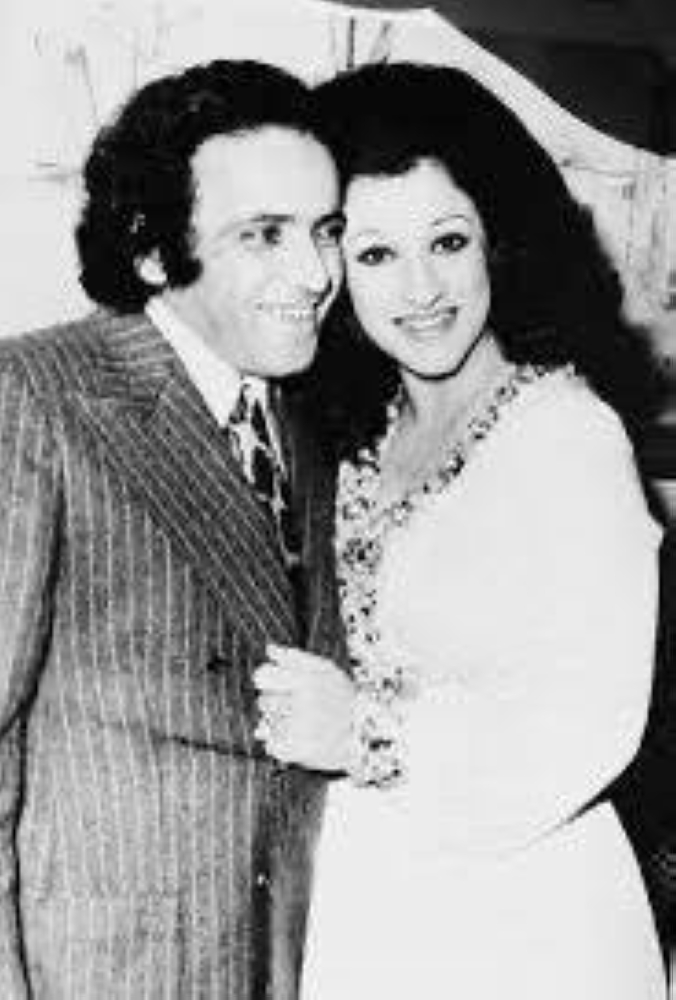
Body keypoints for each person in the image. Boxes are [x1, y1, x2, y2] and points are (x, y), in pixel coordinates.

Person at [253, 61, 668, 998]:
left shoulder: (568, 437)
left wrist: (364, 734)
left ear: (501, 243)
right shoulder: (346, 435)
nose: (422, 289)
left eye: (448, 241)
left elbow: (590, 719)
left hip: (527, 915)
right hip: (368, 901)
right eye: (375, 255)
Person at [0, 59, 347, 998]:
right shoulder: (35, 397)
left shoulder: (310, 423)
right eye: (263, 235)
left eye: (325, 231)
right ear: (154, 250)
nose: (315, 274)